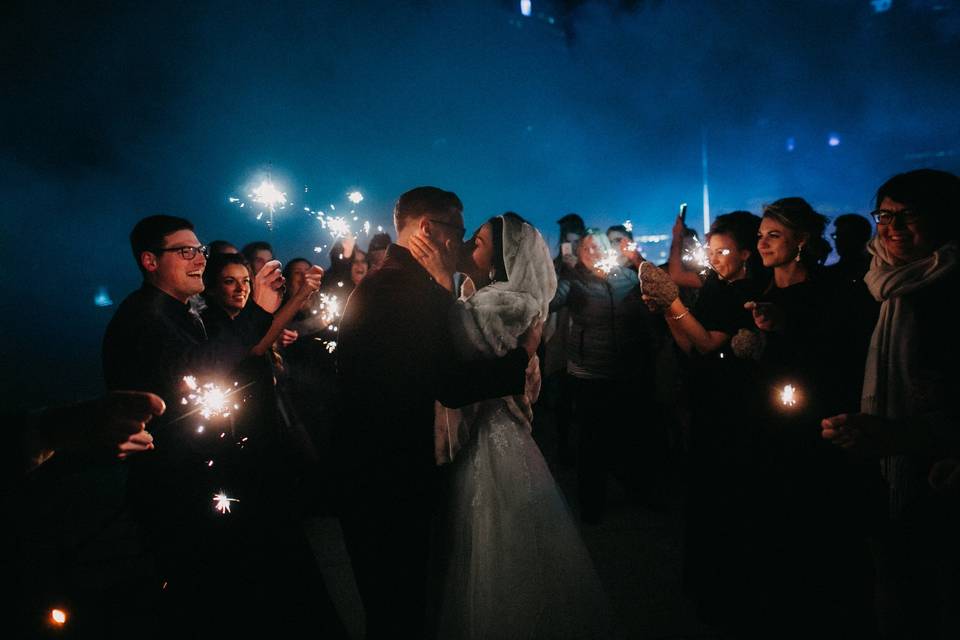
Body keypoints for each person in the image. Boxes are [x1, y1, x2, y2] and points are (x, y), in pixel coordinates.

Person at [101, 215, 339, 637]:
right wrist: (259, 311)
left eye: (200, 250)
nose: (198, 260)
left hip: (214, 481)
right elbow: (202, 370)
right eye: (185, 252)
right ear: (150, 261)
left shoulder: (175, 313)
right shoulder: (143, 318)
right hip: (179, 492)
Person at [334, 187, 541, 639]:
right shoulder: (399, 288)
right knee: (397, 603)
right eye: (459, 231)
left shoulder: (407, 282)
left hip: (381, 466)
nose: (463, 244)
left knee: (404, 598)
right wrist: (523, 355)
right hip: (384, 473)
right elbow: (449, 381)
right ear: (429, 228)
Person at [430, 213, 613, 639]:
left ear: (504, 253)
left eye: (477, 241)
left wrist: (440, 281)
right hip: (499, 431)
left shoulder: (502, 305)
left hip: (488, 438)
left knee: (492, 548)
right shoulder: (502, 298)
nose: (468, 247)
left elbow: (453, 348)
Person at [729, 198, 881, 637]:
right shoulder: (757, 286)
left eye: (773, 235)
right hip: (760, 422)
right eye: (760, 236)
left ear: (802, 241)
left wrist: (784, 329)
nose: (762, 243)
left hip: (810, 426)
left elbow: (839, 359)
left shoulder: (831, 291)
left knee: (813, 528)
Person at [821, 169, 960, 639]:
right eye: (885, 215)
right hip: (883, 470)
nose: (894, 227)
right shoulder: (874, 284)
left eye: (909, 215)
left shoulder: (950, 287)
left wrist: (902, 433)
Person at [639, 211, 767, 631]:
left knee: (727, 493)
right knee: (703, 490)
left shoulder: (748, 292)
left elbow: (710, 342)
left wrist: (671, 303)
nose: (714, 259)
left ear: (748, 252)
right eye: (711, 251)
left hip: (735, 405)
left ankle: (730, 594)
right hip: (704, 397)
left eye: (724, 251)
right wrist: (667, 309)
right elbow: (690, 344)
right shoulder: (716, 284)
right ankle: (705, 582)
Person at [550, 229, 656, 523]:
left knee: (628, 435)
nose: (593, 251)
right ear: (580, 253)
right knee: (591, 441)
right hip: (588, 373)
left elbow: (653, 305)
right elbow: (551, 302)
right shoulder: (575, 281)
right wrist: (558, 275)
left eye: (598, 245)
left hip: (624, 371)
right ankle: (591, 506)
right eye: (587, 247)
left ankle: (638, 491)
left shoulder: (628, 278)